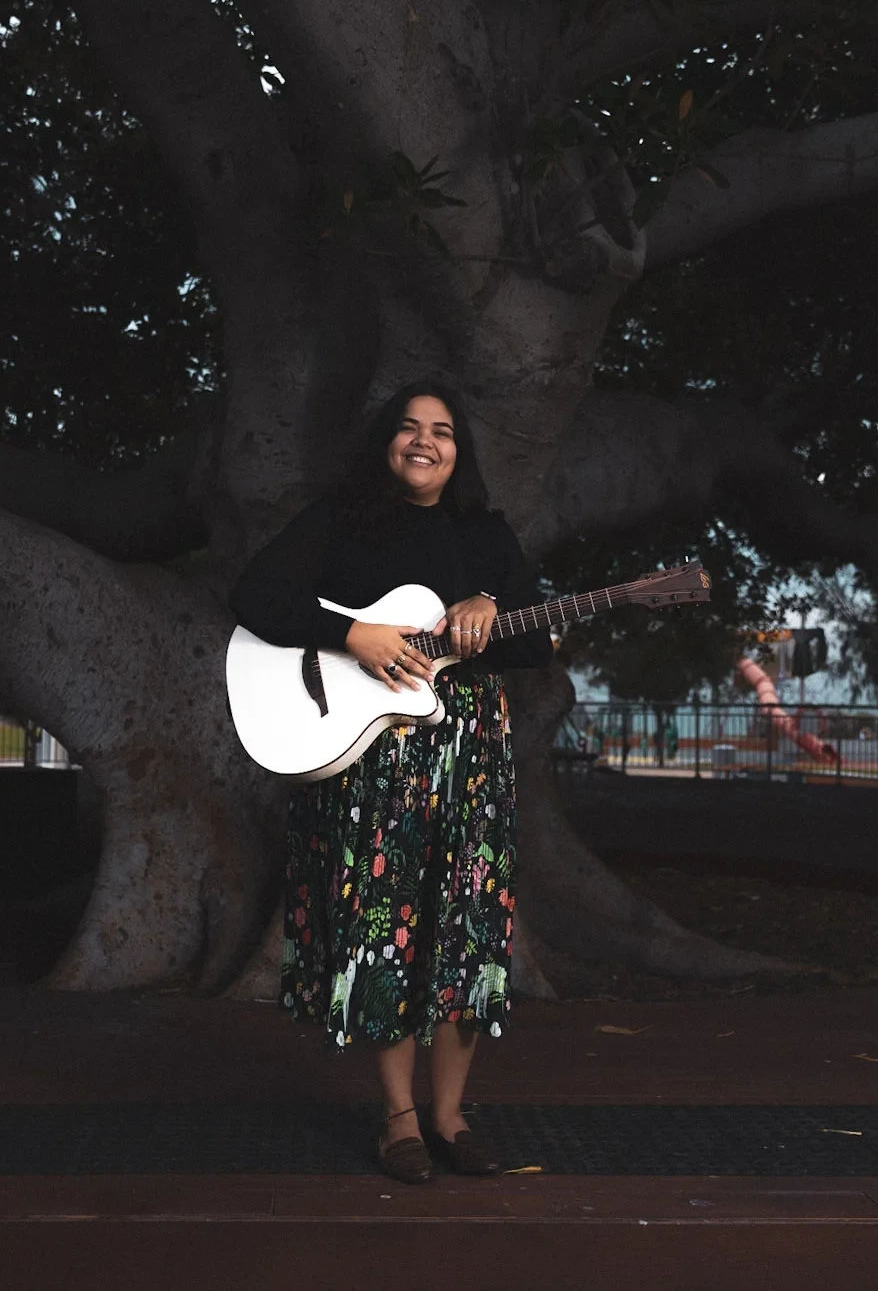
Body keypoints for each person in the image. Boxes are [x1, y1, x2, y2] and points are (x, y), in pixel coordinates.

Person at [228, 381, 552, 1184]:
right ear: (385, 444)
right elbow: (255, 597)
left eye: (442, 431)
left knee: (467, 933)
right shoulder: (343, 520)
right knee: (385, 930)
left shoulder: (486, 536)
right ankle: (399, 1120)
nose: (424, 440)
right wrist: (353, 633)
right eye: (408, 427)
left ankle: (449, 1116)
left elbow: (535, 639)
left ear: (458, 452)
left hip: (469, 760)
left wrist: (491, 602)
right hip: (372, 763)